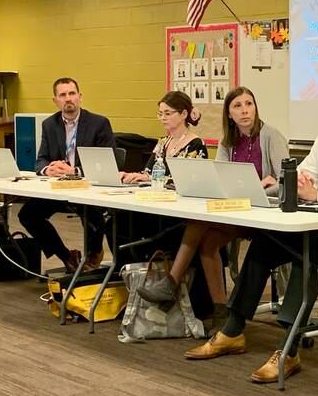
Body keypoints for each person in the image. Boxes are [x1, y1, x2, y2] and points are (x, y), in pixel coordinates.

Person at [183, 71, 318, 384]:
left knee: (315, 247)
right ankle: (232, 330)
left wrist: (317, 194)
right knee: (266, 241)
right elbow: (301, 175)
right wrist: (284, 184)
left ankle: (288, 347)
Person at [137, 86, 288, 316]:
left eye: (249, 104)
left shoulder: (270, 135)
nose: (245, 111)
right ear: (229, 114)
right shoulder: (227, 142)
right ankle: (220, 310)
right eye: (237, 106)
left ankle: (171, 283)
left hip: (263, 210)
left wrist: (259, 187)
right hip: (236, 208)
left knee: (198, 227)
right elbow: (218, 176)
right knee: (205, 238)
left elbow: (285, 181)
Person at [18, 77, 115, 272]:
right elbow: (41, 160)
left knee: (90, 211)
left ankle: (94, 253)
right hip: (60, 189)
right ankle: (67, 256)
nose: (68, 98)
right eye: (63, 95)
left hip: (88, 190)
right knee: (27, 214)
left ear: (80, 97)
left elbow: (108, 162)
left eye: (72, 94)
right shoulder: (49, 124)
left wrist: (75, 171)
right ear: (55, 100)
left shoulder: (99, 123)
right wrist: (48, 169)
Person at [120, 90, 207, 184]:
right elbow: (148, 173)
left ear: (184, 114)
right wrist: (131, 175)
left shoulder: (196, 144)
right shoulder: (163, 142)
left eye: (168, 113)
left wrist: (150, 179)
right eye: (160, 114)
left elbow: (191, 181)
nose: (163, 118)